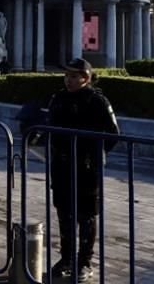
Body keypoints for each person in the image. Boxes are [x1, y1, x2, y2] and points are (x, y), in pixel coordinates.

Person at [46, 58, 120, 282]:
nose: (69, 80)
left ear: (86, 78)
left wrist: (94, 155)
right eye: (67, 75)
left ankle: (84, 262)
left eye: (74, 76)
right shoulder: (58, 99)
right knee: (64, 213)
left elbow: (112, 133)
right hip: (61, 166)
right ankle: (66, 258)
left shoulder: (97, 101)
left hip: (86, 169)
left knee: (86, 216)